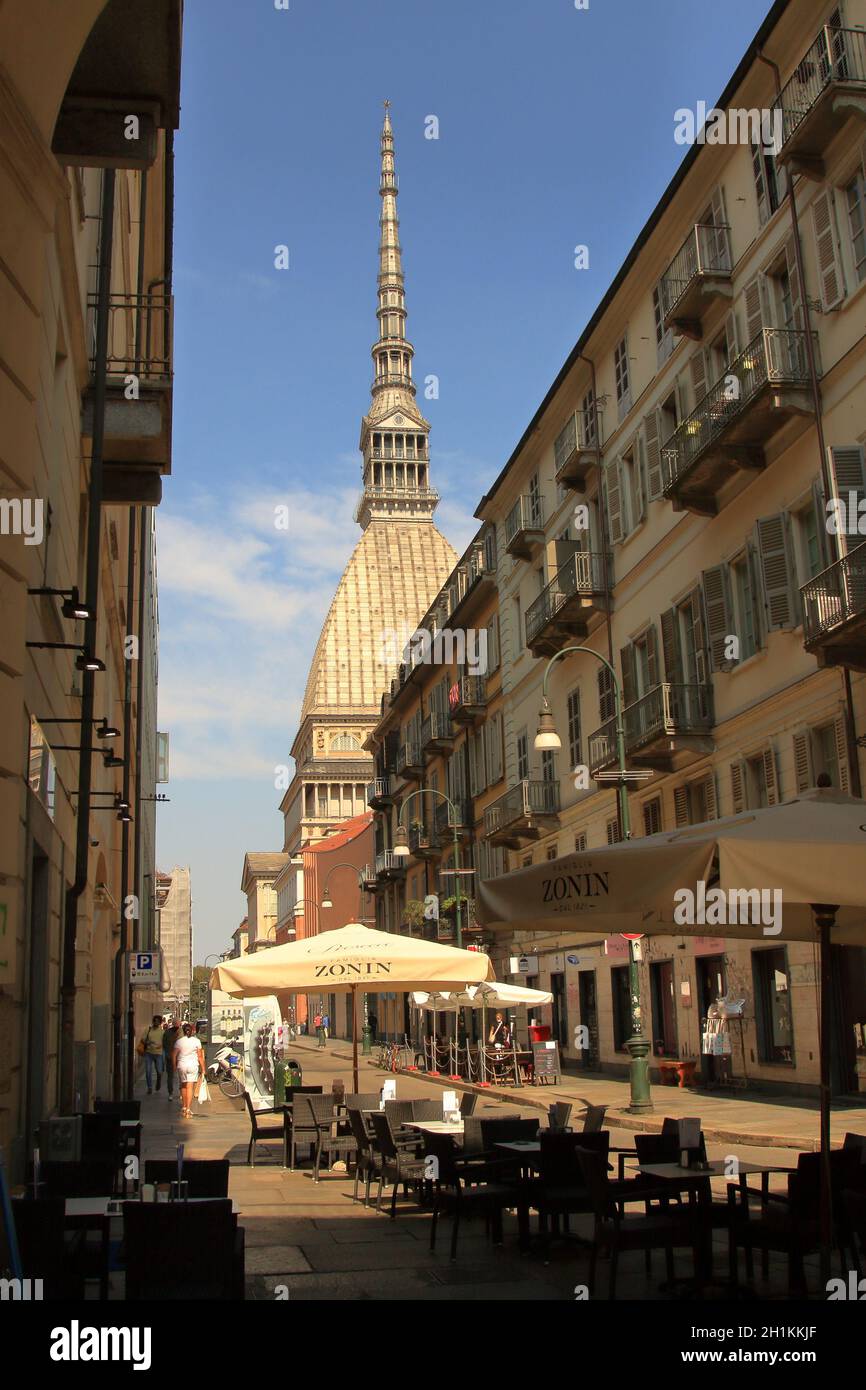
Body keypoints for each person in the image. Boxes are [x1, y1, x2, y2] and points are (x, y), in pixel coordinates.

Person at [173, 1022, 206, 1119]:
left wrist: (174, 1066)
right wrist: (203, 1068)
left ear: (183, 1031)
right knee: (190, 1087)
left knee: (183, 1085)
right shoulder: (197, 1041)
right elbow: (200, 1057)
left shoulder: (179, 1042)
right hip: (193, 1065)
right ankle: (188, 1108)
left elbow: (174, 1054)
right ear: (192, 1031)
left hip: (182, 1065)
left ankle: (183, 1106)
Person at [141, 1015, 166, 1093]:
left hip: (158, 1053)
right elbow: (143, 1040)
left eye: (158, 1021)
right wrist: (148, 1042)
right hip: (149, 1053)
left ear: (160, 1022)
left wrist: (161, 1045)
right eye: (154, 1021)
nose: (156, 1022)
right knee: (148, 1071)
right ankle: (150, 1087)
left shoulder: (162, 1032)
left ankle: (158, 1081)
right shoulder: (148, 1030)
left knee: (159, 1071)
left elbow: (164, 1042)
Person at [162, 1016, 182, 1101]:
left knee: (173, 1076)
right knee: (177, 1076)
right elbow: (164, 1044)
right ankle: (175, 1092)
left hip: (173, 1057)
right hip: (175, 1057)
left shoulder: (168, 1032)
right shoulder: (181, 1032)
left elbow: (164, 1044)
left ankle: (172, 1093)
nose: (177, 1026)